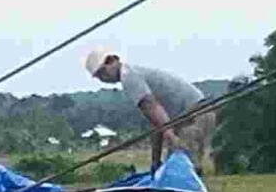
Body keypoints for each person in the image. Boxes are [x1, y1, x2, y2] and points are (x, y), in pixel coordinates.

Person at [85, 48, 216, 175]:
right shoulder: (132, 74)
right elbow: (156, 122)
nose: (103, 78)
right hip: (191, 115)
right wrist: (155, 161)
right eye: (99, 77)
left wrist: (171, 137)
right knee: (177, 167)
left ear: (112, 60)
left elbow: (151, 106)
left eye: (102, 72)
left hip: (194, 115)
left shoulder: (129, 76)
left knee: (182, 168)